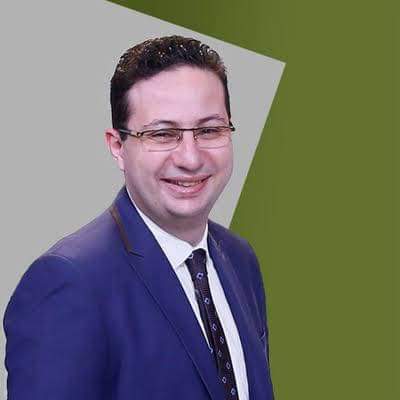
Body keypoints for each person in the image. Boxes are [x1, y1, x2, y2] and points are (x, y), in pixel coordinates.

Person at [4, 35, 274, 400]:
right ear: (117, 146)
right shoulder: (68, 283)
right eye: (162, 134)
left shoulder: (240, 260)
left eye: (209, 130)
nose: (191, 158)